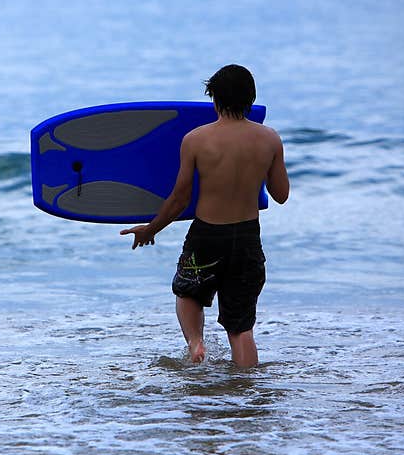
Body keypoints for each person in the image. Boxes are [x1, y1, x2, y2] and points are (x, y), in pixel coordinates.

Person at [120, 64, 289, 368]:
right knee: (240, 328)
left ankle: (196, 344)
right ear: (251, 99)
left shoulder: (196, 140)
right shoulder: (269, 139)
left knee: (188, 293)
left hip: (207, 236)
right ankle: (246, 388)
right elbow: (280, 194)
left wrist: (151, 228)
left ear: (214, 100)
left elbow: (179, 198)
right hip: (247, 238)